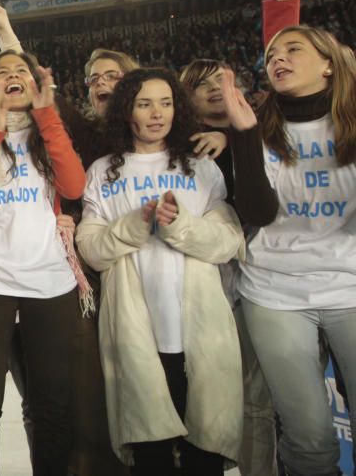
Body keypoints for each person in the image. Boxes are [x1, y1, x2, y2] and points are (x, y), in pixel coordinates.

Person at [220, 0, 356, 476]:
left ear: (331, 63)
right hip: (275, 291)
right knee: (308, 440)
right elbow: (259, 210)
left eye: (294, 52)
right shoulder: (261, 124)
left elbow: (286, 34)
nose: (277, 58)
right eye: (270, 56)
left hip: (350, 285)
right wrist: (244, 135)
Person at [77, 68, 245, 474]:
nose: (157, 113)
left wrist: (178, 225)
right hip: (136, 334)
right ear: (126, 111)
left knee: (203, 454)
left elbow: (228, 242)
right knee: (150, 456)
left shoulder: (201, 166)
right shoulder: (102, 171)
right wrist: (136, 224)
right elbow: (91, 249)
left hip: (199, 333)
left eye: (166, 102)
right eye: (145, 103)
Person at [0, 48, 87, 476]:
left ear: (34, 83)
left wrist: (47, 117)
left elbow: (74, 184)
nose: (12, 75)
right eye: (1, 71)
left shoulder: (50, 131)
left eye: (20, 70)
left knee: (51, 403)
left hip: (49, 283)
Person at [180, 57, 278, 476]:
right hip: (205, 284)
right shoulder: (175, 150)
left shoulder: (264, 132)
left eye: (221, 79)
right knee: (204, 394)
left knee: (256, 396)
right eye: (203, 84)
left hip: (264, 279)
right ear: (186, 98)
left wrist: (231, 136)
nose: (216, 88)